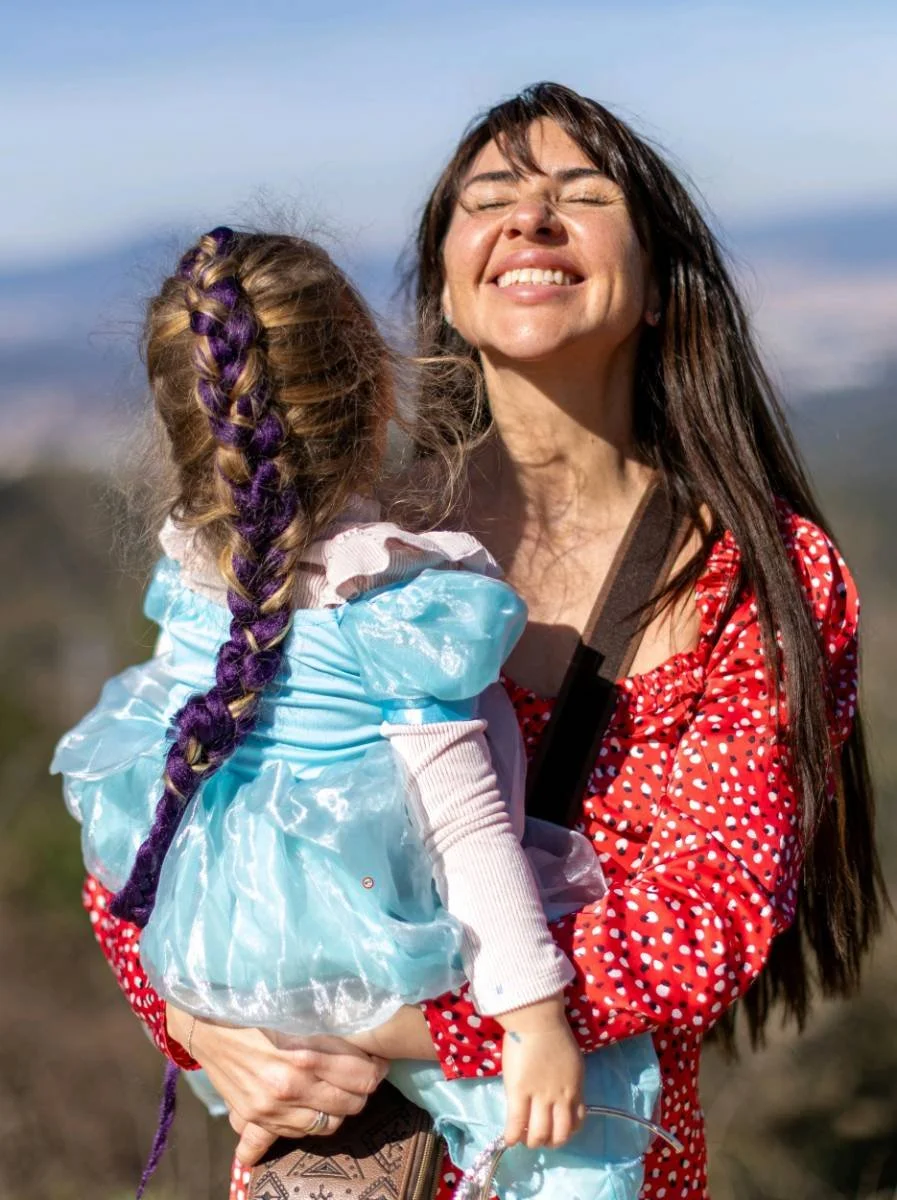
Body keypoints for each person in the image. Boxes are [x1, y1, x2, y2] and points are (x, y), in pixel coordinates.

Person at [74, 84, 884, 1200]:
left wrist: (386, 1021)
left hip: (590, 1153)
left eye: (581, 196)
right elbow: (155, 825)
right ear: (446, 288)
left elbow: (710, 912)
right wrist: (200, 1026)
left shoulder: (759, 575)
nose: (530, 222)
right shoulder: (333, 551)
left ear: (659, 287)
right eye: (489, 199)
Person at [53, 225, 664, 1200]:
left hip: (233, 962)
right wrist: (537, 1018)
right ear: (378, 391)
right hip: (376, 950)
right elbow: (464, 826)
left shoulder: (194, 588)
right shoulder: (394, 606)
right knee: (570, 1119)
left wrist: (197, 1009)